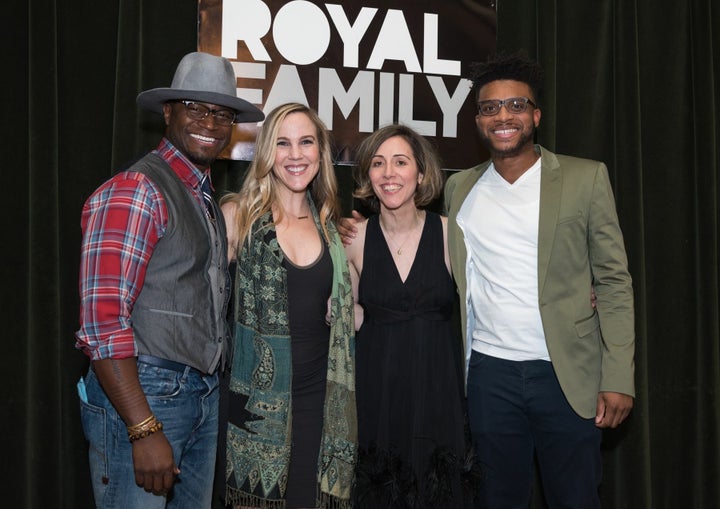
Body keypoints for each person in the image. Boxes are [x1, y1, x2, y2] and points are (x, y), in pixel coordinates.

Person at [444, 51, 635, 507]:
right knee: (497, 498)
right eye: (490, 108)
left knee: (574, 498)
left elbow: (613, 281)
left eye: (515, 105)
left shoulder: (584, 178)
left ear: (535, 114)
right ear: (478, 120)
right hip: (489, 376)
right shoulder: (461, 189)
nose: (503, 116)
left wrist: (619, 375)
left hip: (566, 374)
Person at [75, 52, 264, 508]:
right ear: (167, 112)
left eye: (221, 113)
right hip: (147, 396)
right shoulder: (137, 190)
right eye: (195, 108)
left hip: (200, 394)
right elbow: (102, 323)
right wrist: (142, 427)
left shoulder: (201, 194)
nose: (209, 122)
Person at [220, 103, 357, 509]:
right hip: (253, 408)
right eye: (282, 143)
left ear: (320, 153)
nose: (295, 154)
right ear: (266, 153)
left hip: (321, 407)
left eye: (306, 142)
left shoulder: (332, 230)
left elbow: (349, 314)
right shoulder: (237, 217)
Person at [344, 124, 470, 508]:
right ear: (368, 175)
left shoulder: (451, 234)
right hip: (377, 394)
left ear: (421, 174)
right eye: (378, 164)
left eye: (400, 162)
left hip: (439, 393)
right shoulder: (354, 238)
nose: (388, 173)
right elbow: (351, 316)